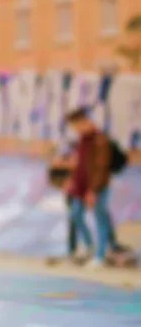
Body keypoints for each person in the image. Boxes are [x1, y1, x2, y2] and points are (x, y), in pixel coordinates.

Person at [63, 106, 114, 268]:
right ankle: (89, 245)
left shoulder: (100, 140)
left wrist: (93, 190)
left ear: (86, 122)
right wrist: (72, 181)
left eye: (77, 125)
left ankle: (100, 255)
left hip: (97, 187)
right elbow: (81, 165)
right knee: (75, 213)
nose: (76, 130)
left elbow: (101, 168)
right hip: (80, 187)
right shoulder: (82, 141)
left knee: (100, 218)